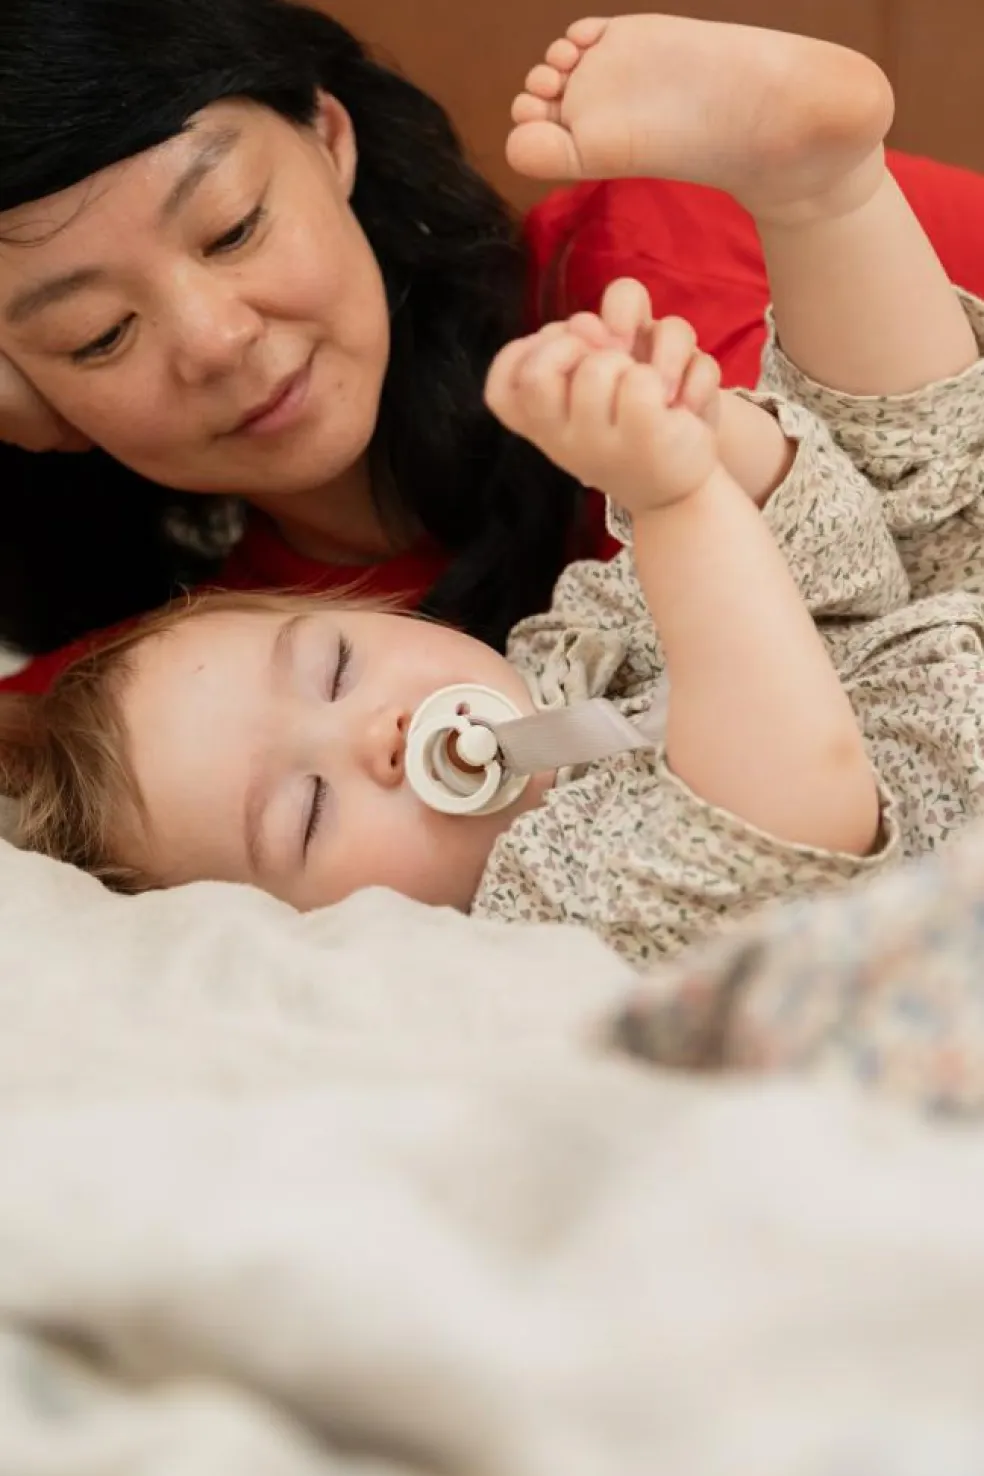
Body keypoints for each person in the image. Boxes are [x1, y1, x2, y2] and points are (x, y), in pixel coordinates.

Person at [4, 14, 984, 968]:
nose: (218, 340)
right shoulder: (541, 908)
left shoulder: (571, 637)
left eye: (232, 229)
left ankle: (824, 197)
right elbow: (787, 820)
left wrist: (707, 438)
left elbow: (842, 551)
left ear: (328, 136)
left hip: (931, 605)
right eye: (98, 333)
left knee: (911, 500)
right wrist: (682, 494)